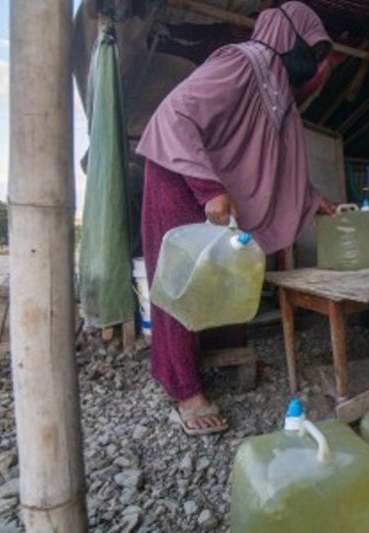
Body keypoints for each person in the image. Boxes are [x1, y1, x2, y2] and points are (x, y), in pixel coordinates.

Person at [136, 2, 336, 435]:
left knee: (224, 276)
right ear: (288, 36)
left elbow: (274, 157)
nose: (314, 59)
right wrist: (209, 188)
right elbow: (177, 114)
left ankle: (219, 356)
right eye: (312, 46)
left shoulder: (277, 84)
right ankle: (183, 387)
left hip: (212, 186)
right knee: (181, 281)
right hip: (179, 174)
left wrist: (312, 197)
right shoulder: (242, 61)